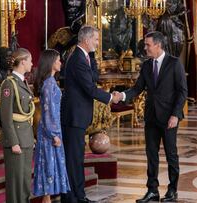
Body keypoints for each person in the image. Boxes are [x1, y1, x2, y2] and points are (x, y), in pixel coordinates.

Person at [115, 31, 188, 203]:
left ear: (158, 45)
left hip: (169, 117)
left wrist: (175, 115)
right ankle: (152, 191)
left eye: (148, 45)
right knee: (151, 154)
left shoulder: (174, 63)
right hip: (151, 117)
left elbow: (182, 92)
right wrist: (121, 96)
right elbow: (137, 88)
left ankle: (172, 190)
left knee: (171, 154)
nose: (145, 48)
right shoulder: (147, 65)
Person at [60, 25, 121, 203]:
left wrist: (92, 56)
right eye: (95, 39)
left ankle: (80, 196)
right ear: (86, 40)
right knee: (73, 160)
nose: (97, 42)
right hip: (73, 117)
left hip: (80, 116)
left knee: (78, 158)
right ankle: (71, 198)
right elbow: (90, 88)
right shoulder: (77, 59)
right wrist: (111, 97)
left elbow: (94, 77)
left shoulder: (84, 56)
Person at [33, 49, 70, 203]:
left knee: (52, 166)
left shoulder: (51, 81)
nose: (60, 62)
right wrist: (54, 134)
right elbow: (48, 112)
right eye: (58, 60)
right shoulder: (49, 84)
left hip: (53, 129)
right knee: (48, 166)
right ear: (51, 63)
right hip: (50, 132)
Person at [0, 48, 35, 203]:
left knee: (25, 182)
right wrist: (13, 142)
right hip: (16, 141)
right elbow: (6, 117)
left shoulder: (22, 82)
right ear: (22, 62)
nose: (32, 63)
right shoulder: (9, 84)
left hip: (26, 138)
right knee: (15, 184)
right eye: (30, 60)